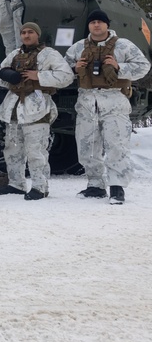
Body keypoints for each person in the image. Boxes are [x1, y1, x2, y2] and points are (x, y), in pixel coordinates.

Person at [64, 10, 151, 204]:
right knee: (87, 145)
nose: (96, 25)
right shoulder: (78, 47)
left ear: (107, 25)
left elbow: (143, 66)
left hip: (114, 100)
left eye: (100, 22)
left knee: (116, 145)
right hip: (87, 102)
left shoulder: (123, 46)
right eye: (93, 22)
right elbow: (63, 71)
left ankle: (117, 188)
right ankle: (95, 185)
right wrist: (74, 67)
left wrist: (120, 67)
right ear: (88, 26)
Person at [0, 23, 74, 200]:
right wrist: (10, 76)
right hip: (14, 106)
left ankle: (40, 186)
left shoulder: (49, 54)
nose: (26, 35)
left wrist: (38, 76)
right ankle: (16, 183)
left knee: (36, 150)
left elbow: (66, 77)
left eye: (30, 32)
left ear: (37, 35)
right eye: (23, 32)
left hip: (37, 106)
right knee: (12, 148)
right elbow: (2, 74)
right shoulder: (15, 54)